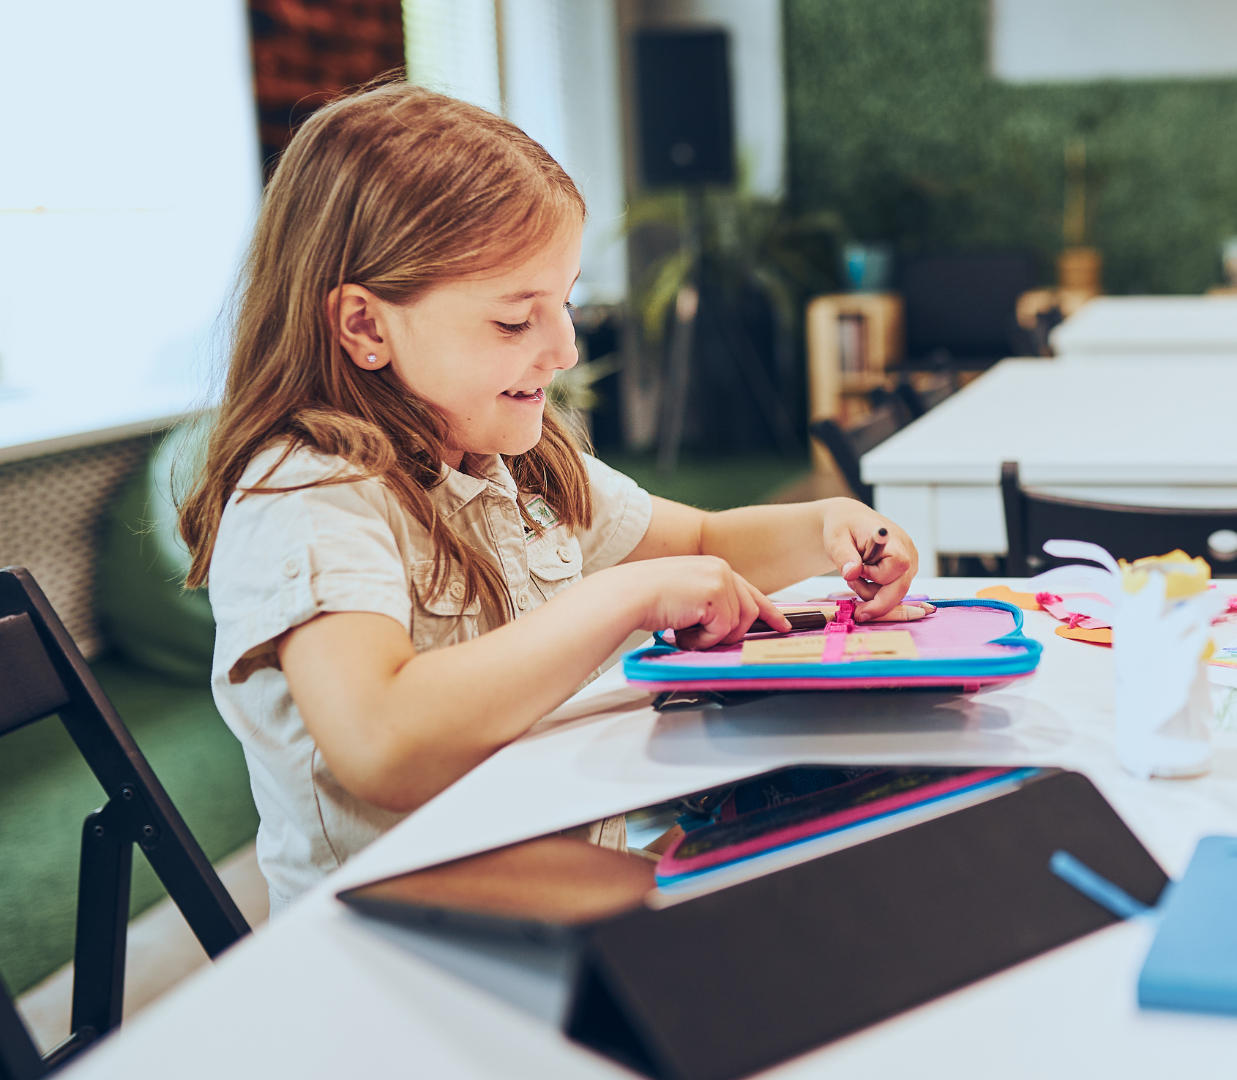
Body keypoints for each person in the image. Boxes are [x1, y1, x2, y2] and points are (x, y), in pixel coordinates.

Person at [178, 83, 917, 911]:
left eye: (562, 303)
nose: (563, 348)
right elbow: (381, 740)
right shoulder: (310, 492)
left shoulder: (506, 457)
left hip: (555, 891)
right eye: (513, 320)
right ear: (364, 327)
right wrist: (622, 598)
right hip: (391, 948)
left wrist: (831, 527)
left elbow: (702, 543)